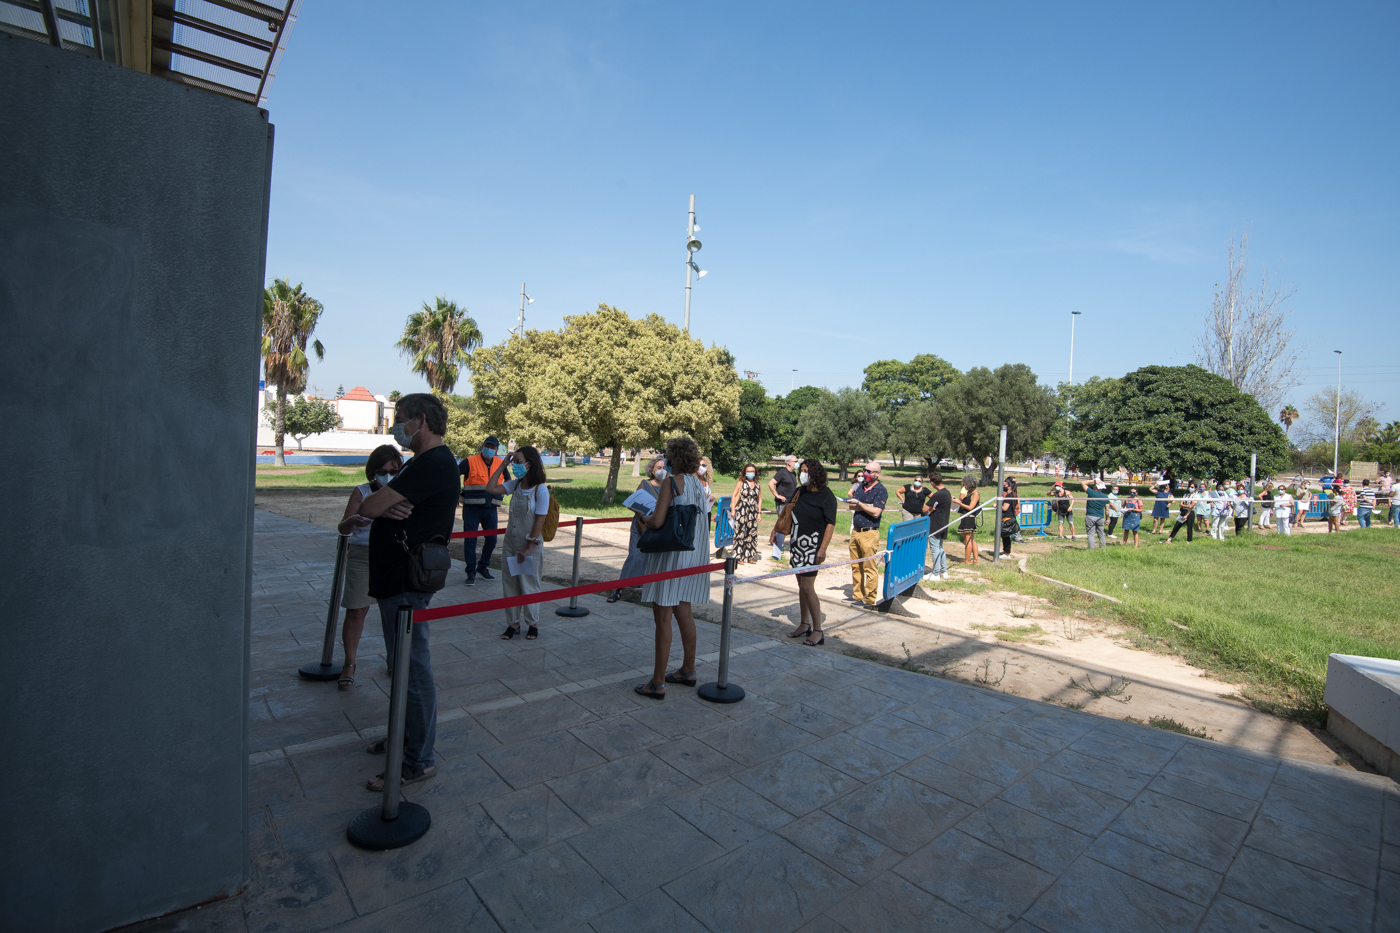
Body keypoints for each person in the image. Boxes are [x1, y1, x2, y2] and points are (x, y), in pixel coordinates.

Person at [357, 393, 459, 791]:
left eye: (400, 420)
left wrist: (384, 505)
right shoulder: (422, 465)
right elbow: (377, 506)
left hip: (406, 582)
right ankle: (404, 735)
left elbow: (370, 506)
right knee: (401, 668)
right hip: (397, 580)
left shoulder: (432, 463)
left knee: (412, 671)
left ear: (420, 420)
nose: (397, 427)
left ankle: (418, 758)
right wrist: (386, 506)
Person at [635, 436, 712, 699]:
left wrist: (642, 515)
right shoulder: (698, 484)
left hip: (670, 557)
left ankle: (657, 682)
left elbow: (656, 521)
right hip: (693, 556)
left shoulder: (671, 482)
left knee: (663, 618)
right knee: (685, 612)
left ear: (674, 458)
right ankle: (688, 669)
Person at [332, 445, 403, 690]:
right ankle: (349, 663)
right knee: (356, 610)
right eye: (382, 471)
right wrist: (353, 521)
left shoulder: (402, 490)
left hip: (394, 556)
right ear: (373, 471)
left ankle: (395, 658)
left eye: (393, 470)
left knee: (395, 612)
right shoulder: (362, 491)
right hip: (363, 556)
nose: (387, 475)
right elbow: (343, 528)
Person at [488, 445, 550, 640]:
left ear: (530, 464)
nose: (516, 465)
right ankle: (513, 623)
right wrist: (502, 465)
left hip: (529, 547)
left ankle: (533, 623)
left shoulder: (540, 490)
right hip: (511, 544)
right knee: (510, 583)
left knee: (529, 584)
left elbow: (540, 519)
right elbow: (490, 488)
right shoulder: (514, 485)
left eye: (518, 461)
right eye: (514, 461)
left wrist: (528, 547)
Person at [786, 458, 838, 646]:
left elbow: (830, 523)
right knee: (801, 587)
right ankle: (803, 624)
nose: (803, 474)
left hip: (813, 546)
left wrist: (823, 548)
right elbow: (789, 511)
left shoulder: (826, 495)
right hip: (797, 545)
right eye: (802, 470)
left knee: (808, 587)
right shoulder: (800, 491)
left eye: (806, 470)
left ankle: (818, 630)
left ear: (816, 473)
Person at [610, 457, 663, 603]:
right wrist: (644, 513)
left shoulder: (669, 485)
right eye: (659, 467)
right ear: (652, 470)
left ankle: (649, 591)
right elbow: (632, 503)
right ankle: (619, 589)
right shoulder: (645, 484)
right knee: (634, 555)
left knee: (655, 559)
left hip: (658, 527)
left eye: (664, 468)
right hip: (641, 525)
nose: (662, 470)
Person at [458, 434, 504, 586]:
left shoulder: (500, 463)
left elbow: (509, 481)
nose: (489, 450)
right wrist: (458, 497)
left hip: (491, 509)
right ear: (482, 446)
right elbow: (451, 477)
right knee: (471, 540)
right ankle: (471, 571)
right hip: (472, 508)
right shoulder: (470, 461)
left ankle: (483, 567)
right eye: (487, 446)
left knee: (492, 539)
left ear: (497, 450)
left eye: (492, 448)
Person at [843, 461, 888, 606]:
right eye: (865, 470)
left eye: (869, 471)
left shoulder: (881, 490)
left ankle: (869, 599)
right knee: (856, 565)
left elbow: (876, 512)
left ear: (878, 474)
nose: (866, 473)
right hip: (855, 532)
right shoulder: (861, 487)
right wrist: (863, 505)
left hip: (869, 533)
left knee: (869, 566)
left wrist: (860, 505)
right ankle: (857, 595)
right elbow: (851, 505)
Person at [727, 464, 763, 564]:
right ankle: (738, 556)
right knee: (739, 532)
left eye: (752, 471)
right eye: (748, 471)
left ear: (755, 472)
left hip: (753, 511)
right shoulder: (741, 482)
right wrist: (733, 510)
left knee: (752, 533)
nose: (750, 473)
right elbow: (734, 495)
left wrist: (759, 513)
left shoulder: (758, 484)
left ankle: (750, 555)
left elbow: (759, 499)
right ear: (745, 472)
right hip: (742, 509)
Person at [923, 472, 953, 581]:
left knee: (935, 549)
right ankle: (943, 571)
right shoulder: (947, 493)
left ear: (932, 483)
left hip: (935, 525)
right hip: (944, 523)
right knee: (940, 548)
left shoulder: (938, 494)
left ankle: (935, 573)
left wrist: (929, 509)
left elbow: (924, 509)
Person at [768, 454, 799, 559]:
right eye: (795, 461)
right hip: (782, 502)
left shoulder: (794, 473)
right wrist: (777, 495)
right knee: (782, 523)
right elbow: (770, 483)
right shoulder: (782, 472)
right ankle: (777, 545)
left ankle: (774, 540)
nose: (797, 463)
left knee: (786, 523)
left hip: (791, 502)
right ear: (789, 462)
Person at [956, 475, 981, 565]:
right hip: (965, 516)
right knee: (971, 539)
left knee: (968, 539)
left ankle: (967, 560)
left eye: (965, 483)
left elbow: (971, 507)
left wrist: (959, 503)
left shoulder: (975, 494)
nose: (964, 485)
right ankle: (975, 560)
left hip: (969, 518)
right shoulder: (969, 493)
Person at [1081, 480, 1109, 549]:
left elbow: (1083, 483)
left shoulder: (1091, 493)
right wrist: (1107, 519)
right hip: (1100, 518)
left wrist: (1094, 480)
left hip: (1090, 516)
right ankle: (1103, 549)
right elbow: (1107, 510)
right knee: (1101, 534)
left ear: (1095, 486)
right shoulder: (1106, 497)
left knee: (1090, 534)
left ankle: (1091, 550)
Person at [999, 477, 1019, 556]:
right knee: (1005, 537)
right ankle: (1005, 551)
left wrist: (997, 505)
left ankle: (1007, 553)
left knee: (1005, 536)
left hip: (1007, 518)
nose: (1003, 487)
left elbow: (1004, 508)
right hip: (1010, 517)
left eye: (1005, 485)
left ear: (1009, 486)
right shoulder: (1013, 495)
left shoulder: (1008, 496)